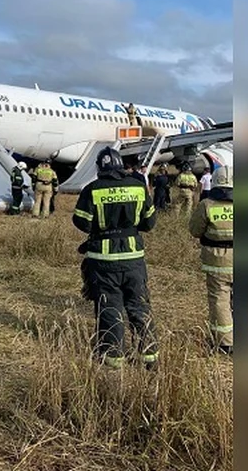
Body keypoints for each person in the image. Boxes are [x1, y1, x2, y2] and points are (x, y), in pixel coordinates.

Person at [73, 147, 159, 370]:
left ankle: (113, 360)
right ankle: (149, 357)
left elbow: (81, 222)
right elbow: (149, 223)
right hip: (133, 258)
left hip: (103, 259)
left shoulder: (92, 190)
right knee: (139, 306)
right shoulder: (139, 188)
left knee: (109, 308)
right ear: (121, 165)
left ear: (100, 168)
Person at [189, 165, 234, 355]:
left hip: (218, 262)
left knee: (219, 299)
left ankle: (226, 343)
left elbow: (195, 230)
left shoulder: (206, 205)